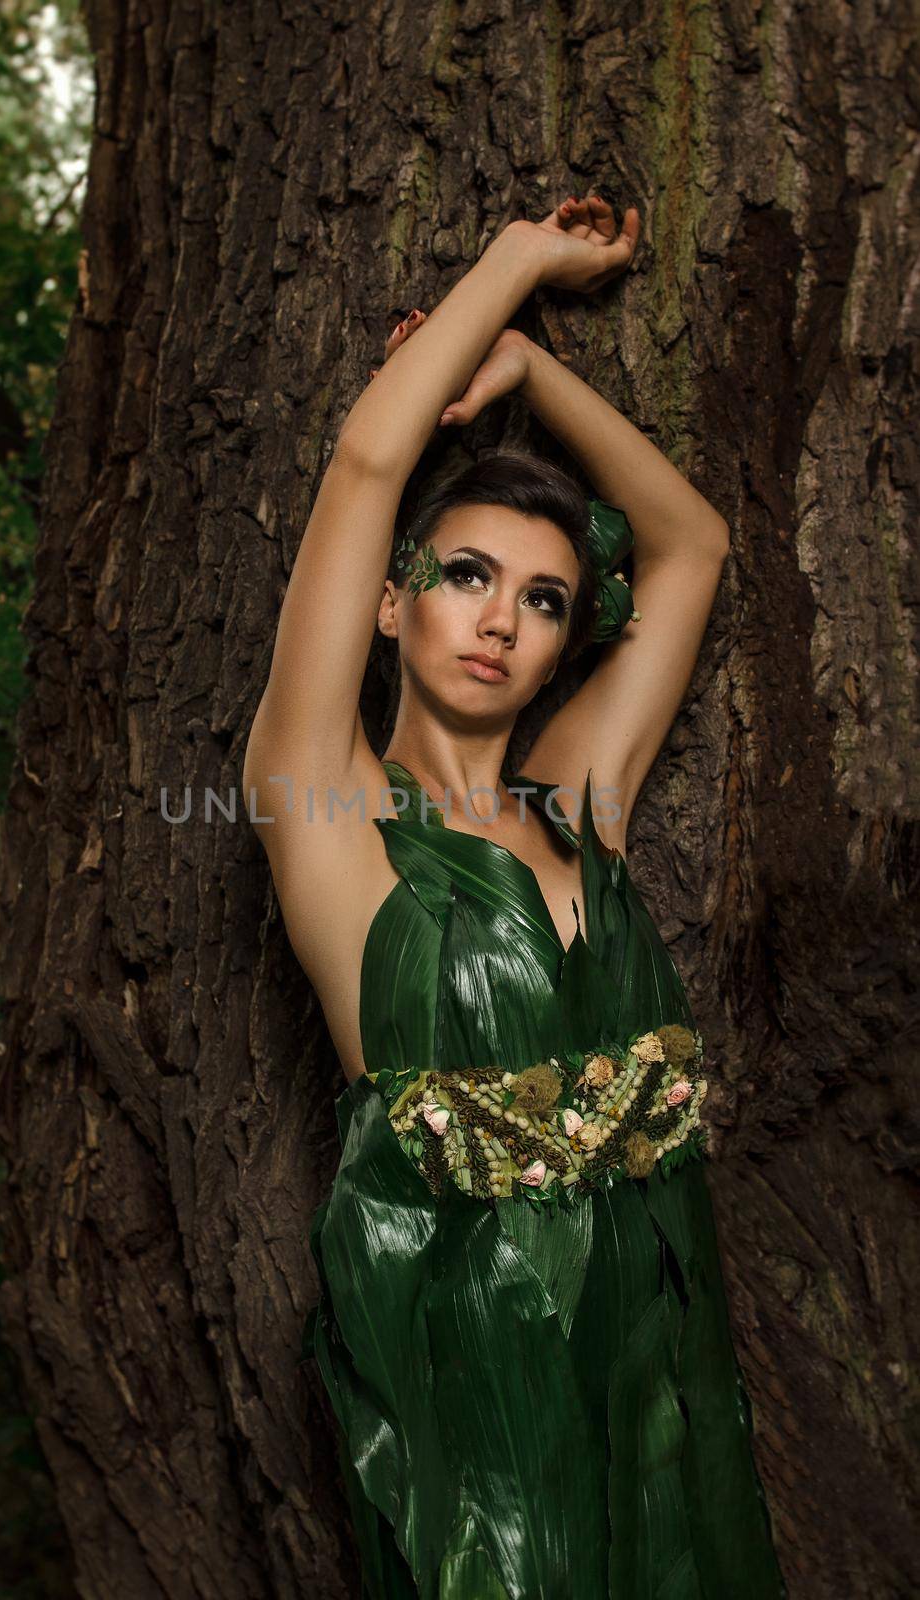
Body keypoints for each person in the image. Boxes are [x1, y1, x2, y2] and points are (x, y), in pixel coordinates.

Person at [242, 194, 786, 1599]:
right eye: (465, 575)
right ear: (388, 602)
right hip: (468, 1368)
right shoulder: (331, 811)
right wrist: (521, 265)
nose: (500, 618)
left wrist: (534, 372)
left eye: (545, 601)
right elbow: (368, 465)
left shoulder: (578, 797)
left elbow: (694, 548)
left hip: (659, 1339)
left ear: (561, 647)